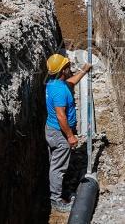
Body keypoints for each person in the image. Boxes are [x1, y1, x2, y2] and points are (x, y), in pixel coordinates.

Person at [45, 53, 92, 212]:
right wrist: (70, 136)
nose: (70, 68)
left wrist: (84, 71)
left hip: (52, 131)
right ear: (62, 70)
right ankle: (56, 200)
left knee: (55, 163)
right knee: (58, 168)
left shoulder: (54, 83)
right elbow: (60, 115)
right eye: (67, 67)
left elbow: (71, 83)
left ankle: (57, 191)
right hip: (60, 134)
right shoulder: (59, 91)